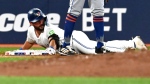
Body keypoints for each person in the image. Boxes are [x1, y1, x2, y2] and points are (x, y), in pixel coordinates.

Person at [20, 8, 147, 55]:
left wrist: (52, 49)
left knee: (97, 50)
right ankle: (131, 45)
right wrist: (20, 52)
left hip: (74, 40)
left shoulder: (48, 28)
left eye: (42, 19)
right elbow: (29, 43)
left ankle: (133, 43)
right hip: (69, 48)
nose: (41, 22)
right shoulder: (31, 31)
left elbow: (53, 39)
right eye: (37, 21)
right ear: (31, 23)